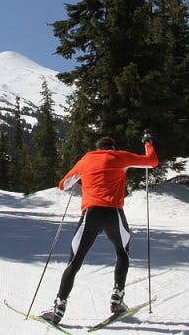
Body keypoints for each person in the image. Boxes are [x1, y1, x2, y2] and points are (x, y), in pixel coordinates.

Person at [41, 131, 158, 324]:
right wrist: (148, 142)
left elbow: (63, 185)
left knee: (74, 262)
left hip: (91, 214)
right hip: (113, 214)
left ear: (97, 148)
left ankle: (59, 308)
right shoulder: (120, 157)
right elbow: (152, 161)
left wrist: (80, 177)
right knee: (122, 252)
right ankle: (117, 298)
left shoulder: (86, 159)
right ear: (112, 148)